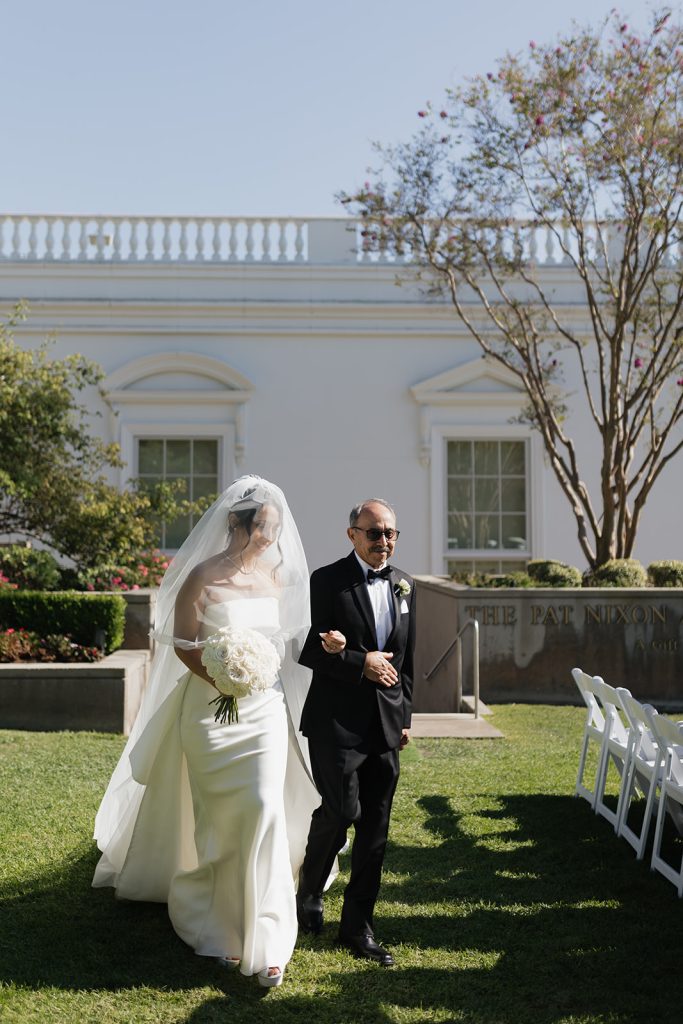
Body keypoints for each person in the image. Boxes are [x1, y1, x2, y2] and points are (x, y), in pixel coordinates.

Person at [92, 476, 322, 988]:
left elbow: (282, 646)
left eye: (275, 528)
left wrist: (256, 676)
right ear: (236, 524)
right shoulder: (201, 576)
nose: (270, 537)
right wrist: (223, 676)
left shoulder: (276, 577)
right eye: (263, 527)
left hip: (262, 710)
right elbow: (183, 645)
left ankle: (268, 938)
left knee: (262, 808)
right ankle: (213, 920)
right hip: (210, 712)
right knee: (218, 818)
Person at [296, 498, 416, 967]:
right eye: (374, 533)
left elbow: (409, 661)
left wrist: (404, 717)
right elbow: (311, 648)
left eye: (390, 533)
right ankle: (310, 891)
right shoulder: (326, 581)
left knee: (375, 830)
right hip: (335, 722)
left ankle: (358, 927)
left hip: (385, 724)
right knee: (341, 810)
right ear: (352, 535)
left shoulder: (407, 585)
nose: (383, 542)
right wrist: (357, 662)